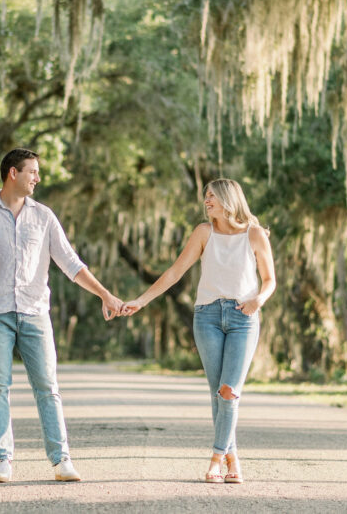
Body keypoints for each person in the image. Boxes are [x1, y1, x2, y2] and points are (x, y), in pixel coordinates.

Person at [0, 148, 125, 483]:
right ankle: (3, 459)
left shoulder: (44, 217)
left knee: (48, 387)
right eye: (32, 171)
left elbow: (71, 263)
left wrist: (105, 293)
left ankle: (61, 459)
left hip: (34, 313)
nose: (38, 178)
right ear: (12, 174)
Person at [122, 179, 275, 484]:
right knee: (218, 394)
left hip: (243, 317)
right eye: (205, 196)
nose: (206, 201)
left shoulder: (254, 235)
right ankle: (233, 461)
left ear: (228, 200)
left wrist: (258, 299)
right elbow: (175, 272)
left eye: (212, 196)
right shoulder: (204, 233)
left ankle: (216, 459)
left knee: (229, 391)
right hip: (206, 316)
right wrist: (142, 300)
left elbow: (270, 279)